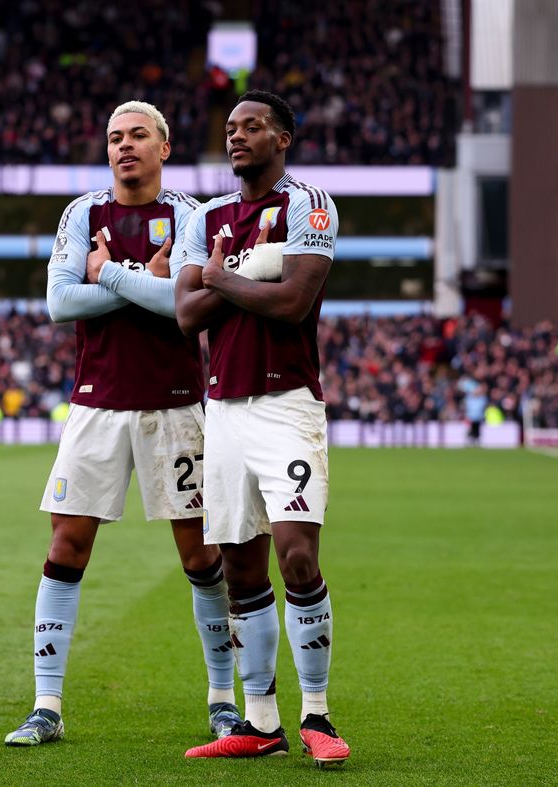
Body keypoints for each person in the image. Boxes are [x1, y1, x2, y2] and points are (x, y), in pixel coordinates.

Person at [4, 101, 239, 747]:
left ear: (164, 147)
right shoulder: (82, 213)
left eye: (137, 135)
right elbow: (60, 302)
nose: (124, 146)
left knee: (201, 555)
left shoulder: (191, 215)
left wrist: (107, 273)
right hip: (96, 406)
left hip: (175, 407)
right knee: (65, 547)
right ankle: (46, 705)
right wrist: (142, 281)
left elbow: (184, 302)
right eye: (114, 138)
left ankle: (223, 700)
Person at [175, 90, 350, 766]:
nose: (237, 136)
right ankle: (261, 722)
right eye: (230, 127)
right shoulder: (206, 216)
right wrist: (249, 274)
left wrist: (220, 277)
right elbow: (186, 315)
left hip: (287, 405)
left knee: (296, 555)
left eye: (252, 126)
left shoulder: (309, 204)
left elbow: (294, 301)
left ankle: (318, 714)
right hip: (223, 410)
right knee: (241, 567)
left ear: (283, 138)